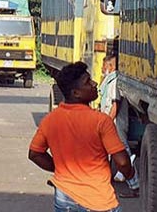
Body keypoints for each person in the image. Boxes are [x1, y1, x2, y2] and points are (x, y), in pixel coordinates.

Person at [29, 62, 135, 212]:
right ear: (76, 93)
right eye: (87, 82)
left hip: (64, 196)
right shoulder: (101, 121)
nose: (94, 83)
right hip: (98, 199)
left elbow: (34, 153)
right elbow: (122, 162)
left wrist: (59, 168)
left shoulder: (50, 120)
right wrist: (131, 175)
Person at [97, 54, 139, 196]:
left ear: (111, 66)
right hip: (111, 122)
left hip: (115, 123)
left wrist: (107, 122)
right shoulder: (109, 81)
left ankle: (135, 184)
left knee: (123, 152)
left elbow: (116, 105)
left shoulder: (115, 82)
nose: (102, 69)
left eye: (104, 66)